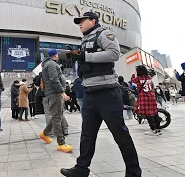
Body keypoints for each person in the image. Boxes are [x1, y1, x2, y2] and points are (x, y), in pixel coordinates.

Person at [61, 11, 141, 176]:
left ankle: (133, 172)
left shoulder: (104, 34)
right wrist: (77, 56)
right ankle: (81, 169)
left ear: (93, 20)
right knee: (87, 134)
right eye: (79, 22)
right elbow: (86, 59)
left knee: (120, 133)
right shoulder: (84, 41)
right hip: (89, 92)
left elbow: (114, 54)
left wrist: (86, 56)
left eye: (82, 21)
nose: (80, 24)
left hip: (107, 92)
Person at [39, 48, 73, 153]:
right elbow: (54, 79)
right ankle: (61, 143)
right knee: (57, 118)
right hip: (55, 93)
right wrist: (62, 93)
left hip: (54, 93)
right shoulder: (51, 65)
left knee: (56, 115)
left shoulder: (48, 64)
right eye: (57, 55)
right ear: (55, 55)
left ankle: (45, 133)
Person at [132, 65, 162, 136]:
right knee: (154, 112)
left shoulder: (138, 78)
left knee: (148, 114)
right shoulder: (149, 77)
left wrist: (134, 73)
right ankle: (158, 129)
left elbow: (132, 80)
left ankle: (153, 130)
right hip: (151, 97)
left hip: (144, 98)